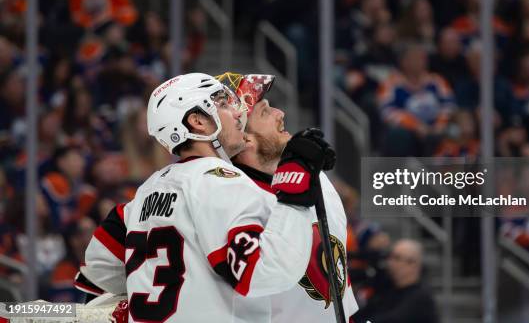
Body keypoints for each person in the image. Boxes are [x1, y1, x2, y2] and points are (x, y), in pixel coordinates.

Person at [75, 73, 335, 322]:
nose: (237, 113)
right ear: (198, 122)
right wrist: (294, 194)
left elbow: (99, 267)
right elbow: (264, 272)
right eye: (222, 104)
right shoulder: (222, 182)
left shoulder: (146, 191)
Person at [215, 72, 359, 322]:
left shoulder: (315, 176)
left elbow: (337, 281)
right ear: (243, 137)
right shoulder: (230, 204)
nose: (280, 113)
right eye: (264, 112)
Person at [354, 239, 439, 323]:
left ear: (413, 264)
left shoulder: (421, 298)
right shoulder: (389, 289)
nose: (390, 262)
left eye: (397, 258)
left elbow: (392, 319)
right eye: (390, 257)